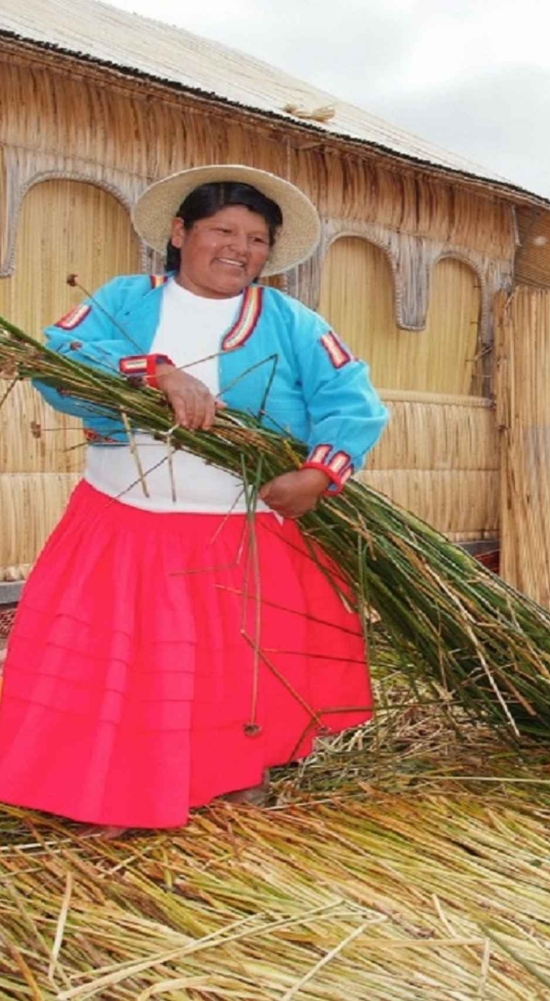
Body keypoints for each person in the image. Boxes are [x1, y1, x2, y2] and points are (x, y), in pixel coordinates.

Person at [0, 164, 388, 833]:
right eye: (223, 231)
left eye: (257, 239)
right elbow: (57, 358)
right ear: (180, 233)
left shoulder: (291, 322)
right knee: (120, 664)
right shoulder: (125, 301)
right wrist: (154, 372)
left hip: (235, 529)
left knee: (226, 664)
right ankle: (106, 791)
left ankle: (229, 774)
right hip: (122, 518)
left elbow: (352, 401)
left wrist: (319, 474)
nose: (240, 248)